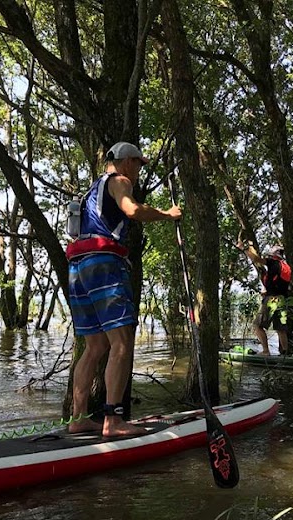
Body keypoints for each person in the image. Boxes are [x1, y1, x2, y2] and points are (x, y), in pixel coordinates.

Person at [66, 142, 182, 435]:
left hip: (77, 268)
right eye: (138, 164)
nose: (139, 171)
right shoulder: (119, 181)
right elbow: (131, 210)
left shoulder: (92, 189)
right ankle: (113, 420)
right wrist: (168, 215)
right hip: (103, 265)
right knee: (120, 342)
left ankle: (77, 419)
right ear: (127, 162)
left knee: (94, 346)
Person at [236, 240, 292, 355]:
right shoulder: (285, 266)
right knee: (280, 329)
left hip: (271, 300)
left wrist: (244, 248)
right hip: (282, 300)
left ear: (274, 255)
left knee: (257, 326)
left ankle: (266, 351)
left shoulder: (272, 262)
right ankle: (285, 354)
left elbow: (256, 259)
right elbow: (279, 283)